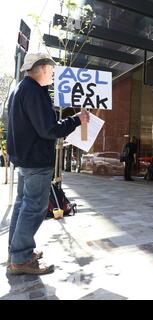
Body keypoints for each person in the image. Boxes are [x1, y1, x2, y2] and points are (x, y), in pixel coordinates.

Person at [6, 53, 89, 275]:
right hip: (35, 161)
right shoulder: (33, 91)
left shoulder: (21, 89)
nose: (54, 73)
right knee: (34, 207)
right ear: (42, 68)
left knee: (23, 205)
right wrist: (76, 120)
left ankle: (16, 252)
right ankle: (21, 258)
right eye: (52, 69)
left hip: (25, 160)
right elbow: (49, 129)